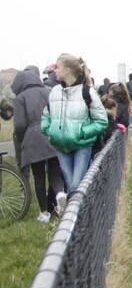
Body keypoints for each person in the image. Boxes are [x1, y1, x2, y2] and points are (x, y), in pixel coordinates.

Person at [41, 54, 108, 211]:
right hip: (60, 146)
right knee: (72, 184)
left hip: (81, 146)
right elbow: (46, 114)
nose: (54, 71)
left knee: (75, 184)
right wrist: (48, 130)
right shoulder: (54, 92)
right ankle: (79, 217)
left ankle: (74, 219)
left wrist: (82, 133)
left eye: (57, 67)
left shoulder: (87, 92)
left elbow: (102, 120)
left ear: (68, 70)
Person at [11, 67, 63, 222]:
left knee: (38, 176)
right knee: (55, 173)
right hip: (51, 135)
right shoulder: (48, 91)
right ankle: (60, 194)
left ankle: (44, 213)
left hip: (33, 139)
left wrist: (22, 138)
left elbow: (19, 125)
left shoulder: (20, 98)